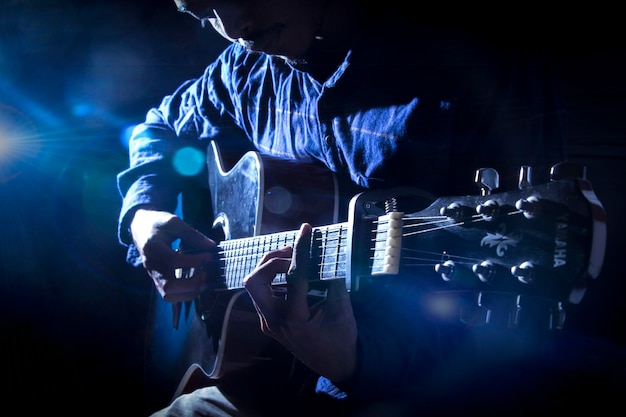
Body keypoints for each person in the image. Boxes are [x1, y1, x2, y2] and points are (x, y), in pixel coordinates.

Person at [117, 1, 625, 416]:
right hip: (255, 373)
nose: (233, 27)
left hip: (404, 385)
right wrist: (143, 213)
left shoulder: (474, 64)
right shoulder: (244, 70)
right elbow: (159, 125)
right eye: (203, 12)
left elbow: (507, 339)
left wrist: (352, 366)